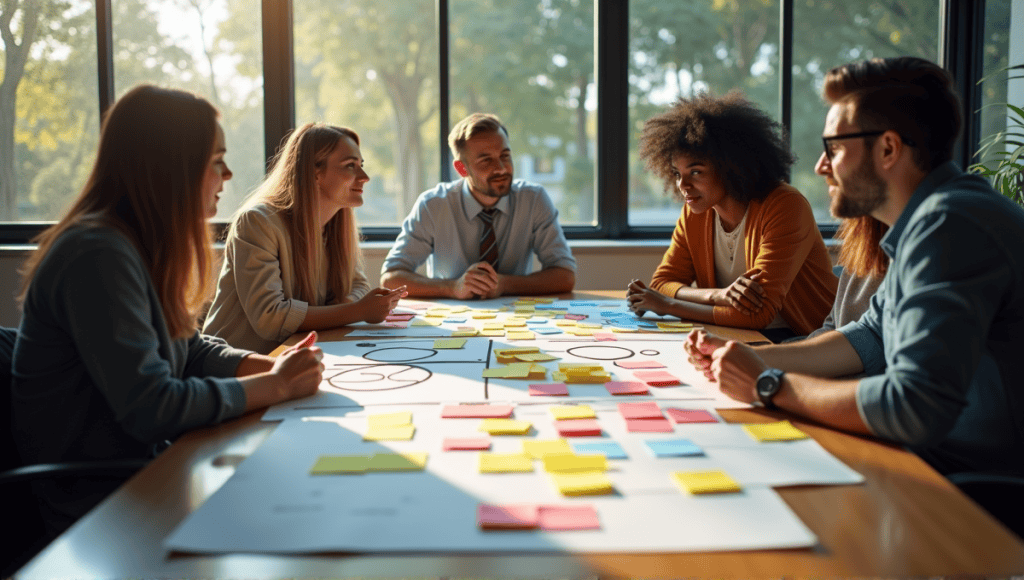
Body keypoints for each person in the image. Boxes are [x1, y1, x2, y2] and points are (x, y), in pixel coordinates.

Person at [685, 56, 1024, 477]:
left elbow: (912, 406)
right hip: (938, 464)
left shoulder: (950, 224)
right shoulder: (929, 220)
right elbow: (867, 338)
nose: (820, 166)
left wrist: (768, 384)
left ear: (887, 148)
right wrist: (752, 357)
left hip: (981, 489)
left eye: (834, 148)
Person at [11, 85, 325, 535]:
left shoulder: (140, 247)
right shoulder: (97, 254)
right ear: (171, 168)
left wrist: (275, 367)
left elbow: (189, 350)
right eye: (216, 160)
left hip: (150, 472)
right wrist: (274, 387)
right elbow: (151, 405)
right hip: (105, 503)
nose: (229, 173)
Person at [626, 92, 837, 342]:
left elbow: (756, 316)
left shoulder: (784, 206)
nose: (683, 184)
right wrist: (718, 295)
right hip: (732, 333)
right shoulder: (695, 213)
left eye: (695, 172)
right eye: (677, 173)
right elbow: (662, 282)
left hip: (802, 338)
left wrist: (669, 306)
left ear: (731, 166)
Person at [204, 123, 405, 353]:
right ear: (315, 173)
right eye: (350, 166)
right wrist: (358, 311)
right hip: (232, 369)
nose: (365, 177)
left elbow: (356, 285)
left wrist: (358, 307)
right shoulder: (257, 222)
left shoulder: (335, 227)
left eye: (361, 165)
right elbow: (270, 318)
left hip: (289, 358)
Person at [380, 113, 576, 299]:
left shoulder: (533, 200)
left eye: (505, 156)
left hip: (517, 320)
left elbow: (565, 276)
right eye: (486, 161)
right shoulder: (433, 205)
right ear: (461, 168)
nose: (501, 168)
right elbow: (390, 279)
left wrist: (505, 284)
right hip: (452, 320)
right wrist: (453, 288)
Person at [804, 215, 888, 340]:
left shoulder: (898, 260)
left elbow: (868, 344)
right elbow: (832, 324)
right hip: (832, 348)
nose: (830, 194)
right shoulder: (861, 247)